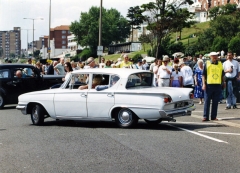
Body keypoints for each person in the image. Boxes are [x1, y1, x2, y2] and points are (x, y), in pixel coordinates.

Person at [202, 52, 225, 121]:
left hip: (217, 85)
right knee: (207, 101)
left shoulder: (220, 64)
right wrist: (204, 84)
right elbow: (203, 75)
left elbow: (222, 75)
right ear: (210, 57)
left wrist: (223, 82)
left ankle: (213, 116)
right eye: (213, 56)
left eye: (216, 56)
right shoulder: (207, 64)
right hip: (209, 85)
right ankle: (205, 116)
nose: (215, 57)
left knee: (215, 102)